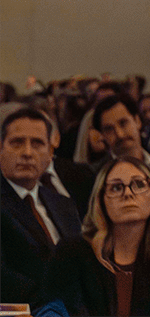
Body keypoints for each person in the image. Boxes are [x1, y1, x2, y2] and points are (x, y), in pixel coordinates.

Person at [39, 155, 150, 317]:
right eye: (116, 187)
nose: (128, 193)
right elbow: (53, 310)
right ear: (102, 200)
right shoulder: (71, 254)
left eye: (139, 184)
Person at [2, 107, 85, 302]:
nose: (27, 153)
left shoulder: (63, 204)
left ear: (50, 153)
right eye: (17, 143)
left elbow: (82, 264)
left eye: (37, 143)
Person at [88, 97, 150, 227]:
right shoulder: (94, 176)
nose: (119, 134)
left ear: (137, 121)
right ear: (102, 135)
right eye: (109, 129)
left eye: (123, 123)